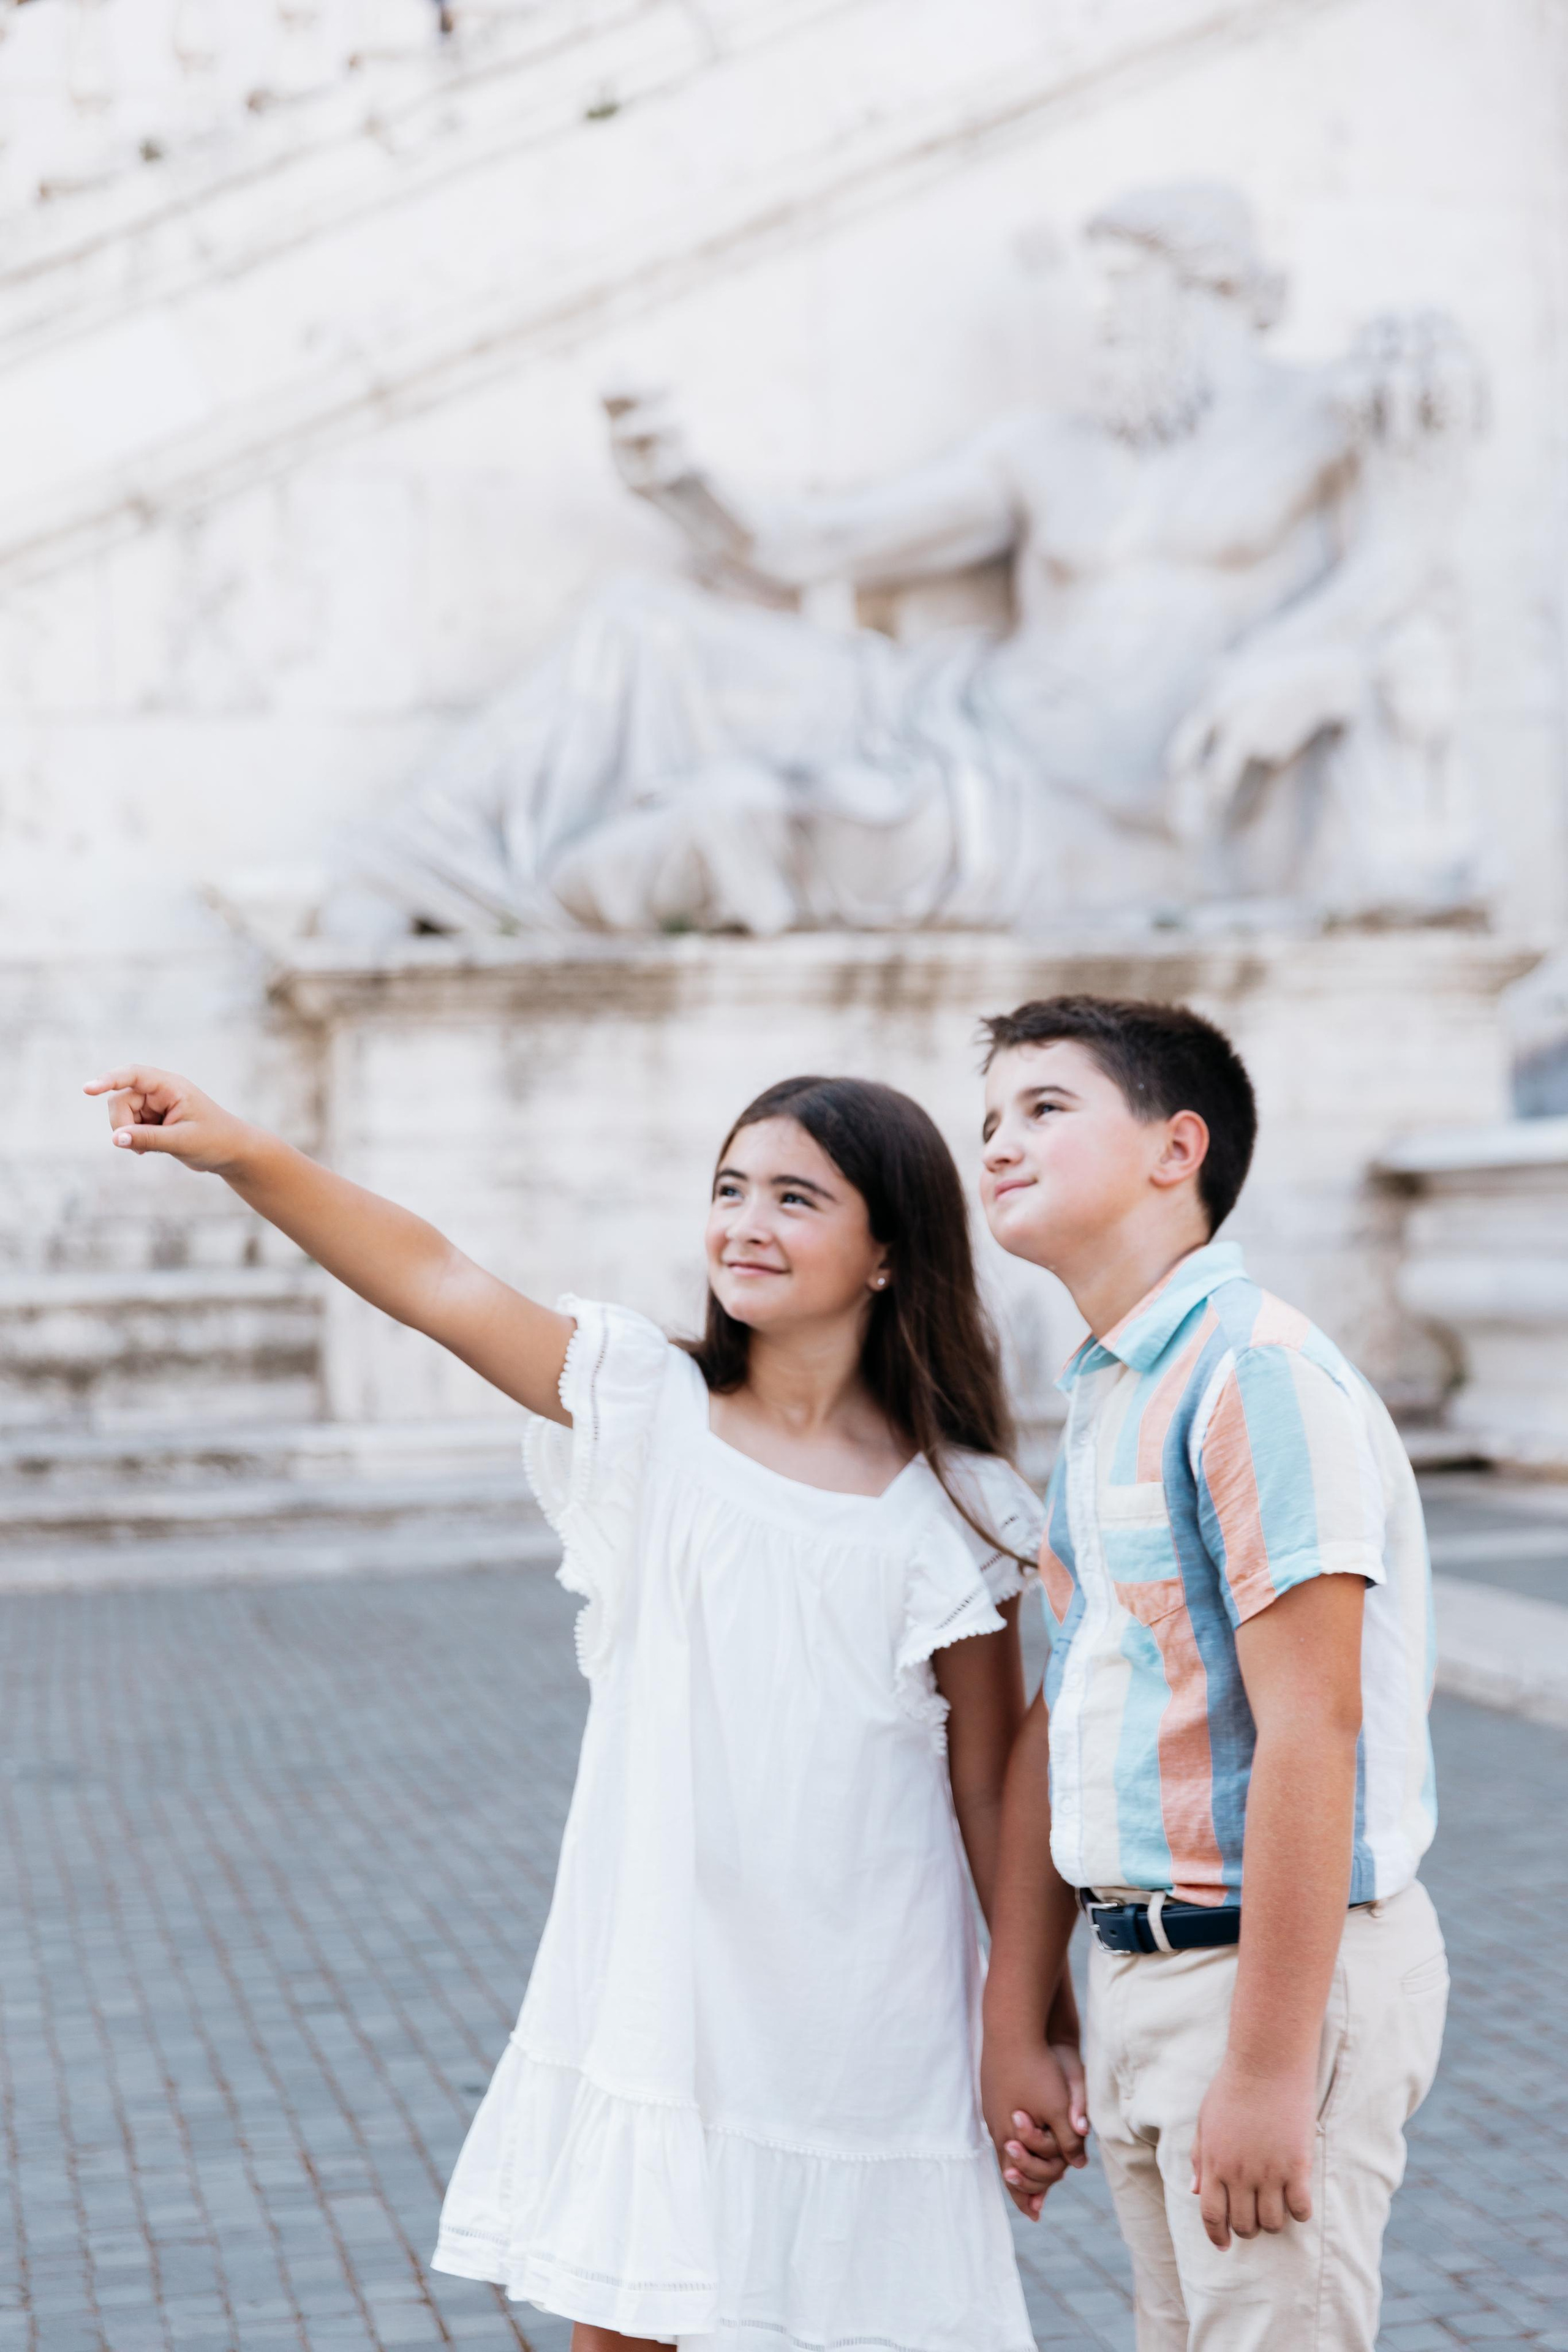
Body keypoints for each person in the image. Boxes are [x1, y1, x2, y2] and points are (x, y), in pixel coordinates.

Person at [83, 1061, 1083, 2352]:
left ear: (888, 1253)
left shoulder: (960, 1506)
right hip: (665, 1996)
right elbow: (437, 1279)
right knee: (627, 2329)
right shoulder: (645, 1410)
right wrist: (243, 1154)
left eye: (794, 1198)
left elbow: (994, 1791)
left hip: (866, 2024)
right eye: (728, 1189)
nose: (744, 1223)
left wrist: (1032, 2028)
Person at [973, 995, 1447, 2352]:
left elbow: (1315, 1729)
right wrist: (1032, 2015)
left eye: (1044, 1109)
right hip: (1145, 1981)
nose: (999, 1144)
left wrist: (1262, 2067)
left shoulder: (1255, 1374)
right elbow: (1072, 1715)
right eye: (989, 1121)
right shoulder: (1113, 1390)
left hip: (1268, 1979)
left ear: (1175, 1148)